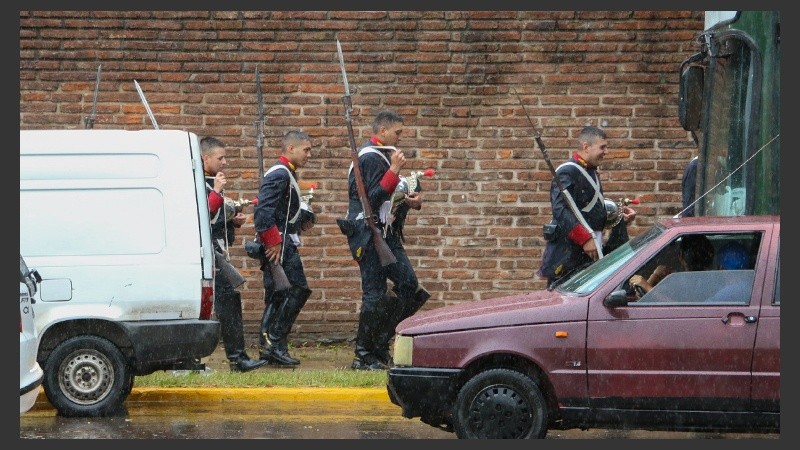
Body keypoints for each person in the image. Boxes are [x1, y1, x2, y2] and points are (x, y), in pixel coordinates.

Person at [339, 110, 430, 371]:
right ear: (382, 132)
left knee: (408, 284)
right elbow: (372, 200)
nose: (400, 137)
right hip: (368, 234)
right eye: (397, 132)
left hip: (386, 233)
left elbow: (390, 198)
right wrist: (394, 170)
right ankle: (363, 354)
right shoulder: (368, 158)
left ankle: (379, 342)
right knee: (374, 293)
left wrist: (413, 200)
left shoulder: (382, 156)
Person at [538, 126, 636, 287]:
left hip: (586, 250)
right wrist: (584, 239)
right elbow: (560, 210)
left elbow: (587, 212)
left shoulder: (589, 171)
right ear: (586, 147)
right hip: (570, 252)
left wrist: (618, 218)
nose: (606, 151)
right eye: (602, 147)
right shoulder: (567, 172)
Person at [201, 136, 267, 372]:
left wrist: (232, 221)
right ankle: (237, 359)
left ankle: (237, 358)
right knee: (225, 302)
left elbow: (215, 219)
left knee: (227, 300)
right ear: (205, 158)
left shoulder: (208, 182)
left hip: (215, 251)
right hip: (207, 254)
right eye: (220, 158)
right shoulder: (199, 182)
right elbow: (203, 215)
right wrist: (217, 191)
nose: (225, 162)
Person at [253, 130, 314, 366]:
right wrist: (274, 241)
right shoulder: (280, 174)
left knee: (280, 295)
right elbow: (262, 212)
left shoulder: (287, 173)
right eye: (305, 149)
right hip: (279, 244)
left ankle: (272, 347)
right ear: (290, 149)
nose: (309, 154)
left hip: (284, 240)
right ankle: (273, 342)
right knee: (296, 290)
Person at [628, 234, 714, 296]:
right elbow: (641, 297)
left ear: (681, 257)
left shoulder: (701, 283)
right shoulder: (712, 279)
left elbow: (677, 307)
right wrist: (655, 276)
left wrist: (647, 287)